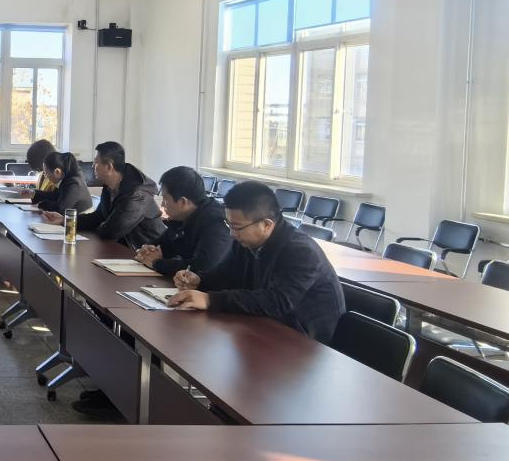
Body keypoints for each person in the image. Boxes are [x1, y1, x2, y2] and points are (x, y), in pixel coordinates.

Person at [168, 181, 346, 343]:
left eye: (237, 227)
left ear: (266, 224)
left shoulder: (300, 251)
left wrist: (210, 300)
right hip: (265, 326)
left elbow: (276, 302)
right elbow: (226, 273)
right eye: (229, 225)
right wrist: (199, 280)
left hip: (304, 341)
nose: (232, 234)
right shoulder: (246, 239)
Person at [135, 166, 232, 278]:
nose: (162, 205)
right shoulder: (182, 217)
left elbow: (203, 267)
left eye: (165, 199)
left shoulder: (215, 223)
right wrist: (148, 251)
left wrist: (157, 263)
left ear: (182, 202)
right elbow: (163, 245)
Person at [75, 141, 166, 248]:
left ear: (109, 167)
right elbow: (99, 217)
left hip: (148, 251)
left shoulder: (136, 194)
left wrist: (101, 226)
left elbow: (112, 231)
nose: (92, 166)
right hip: (125, 248)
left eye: (96, 162)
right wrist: (67, 220)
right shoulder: (109, 187)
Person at [36, 151, 95, 220]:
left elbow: (61, 210)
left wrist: (42, 204)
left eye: (46, 173)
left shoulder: (74, 183)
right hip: (71, 220)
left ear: (57, 172)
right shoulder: (66, 180)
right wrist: (34, 194)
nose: (46, 177)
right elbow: (54, 195)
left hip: (80, 223)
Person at [25, 138, 57, 203]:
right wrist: (32, 192)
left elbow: (54, 198)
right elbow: (41, 193)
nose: (37, 169)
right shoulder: (42, 174)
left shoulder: (57, 175)